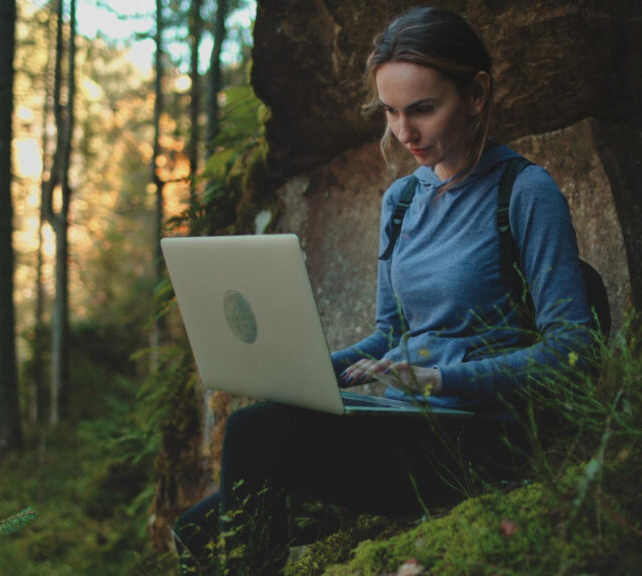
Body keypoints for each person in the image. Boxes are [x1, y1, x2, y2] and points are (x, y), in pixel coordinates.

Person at [173, 6, 595, 575]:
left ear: (476, 94)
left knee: (256, 432)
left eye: (423, 109)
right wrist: (307, 373)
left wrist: (443, 378)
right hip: (401, 419)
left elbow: (573, 350)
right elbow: (390, 336)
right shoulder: (401, 201)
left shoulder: (525, 192)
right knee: (198, 526)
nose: (404, 132)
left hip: (479, 434)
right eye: (392, 112)